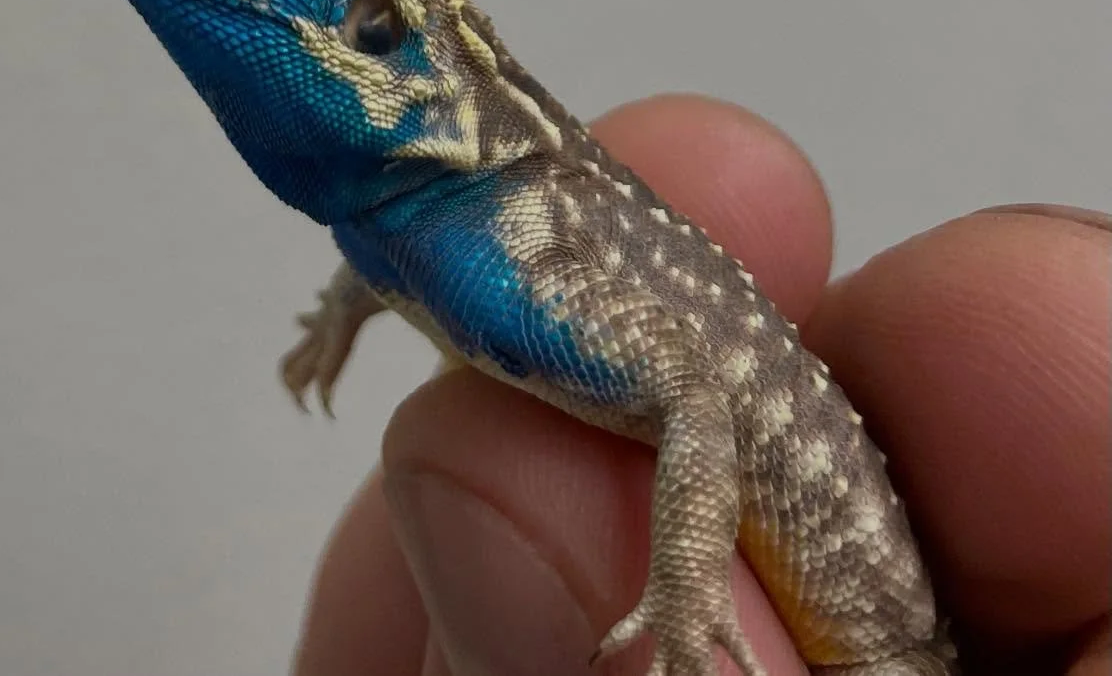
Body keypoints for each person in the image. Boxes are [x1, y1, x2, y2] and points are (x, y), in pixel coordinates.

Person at [289, 95, 1110, 676]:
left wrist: (684, 596)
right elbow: (399, 251)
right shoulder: (430, 205)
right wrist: (343, 306)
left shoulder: (507, 202)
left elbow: (691, 391)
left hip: (881, 645)